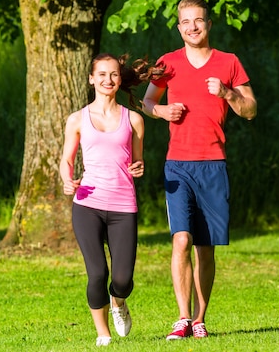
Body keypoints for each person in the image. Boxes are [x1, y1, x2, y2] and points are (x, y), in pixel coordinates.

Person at [142, 0, 258, 340]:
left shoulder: (229, 62)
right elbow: (148, 102)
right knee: (181, 239)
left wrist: (227, 93)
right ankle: (181, 318)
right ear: (179, 27)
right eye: (186, 22)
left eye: (199, 20)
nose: (192, 27)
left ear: (208, 24)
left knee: (204, 247)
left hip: (213, 164)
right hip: (177, 164)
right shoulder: (168, 63)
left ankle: (199, 318)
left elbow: (250, 110)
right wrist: (162, 112)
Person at [59, 53, 161, 347]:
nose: (108, 80)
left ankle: (119, 303)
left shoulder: (134, 119)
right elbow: (66, 159)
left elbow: (137, 162)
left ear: (119, 79)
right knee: (97, 273)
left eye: (113, 74)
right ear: (92, 79)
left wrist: (139, 167)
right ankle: (102, 332)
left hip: (123, 206)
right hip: (87, 204)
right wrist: (68, 179)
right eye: (101, 74)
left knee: (122, 279)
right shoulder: (77, 119)